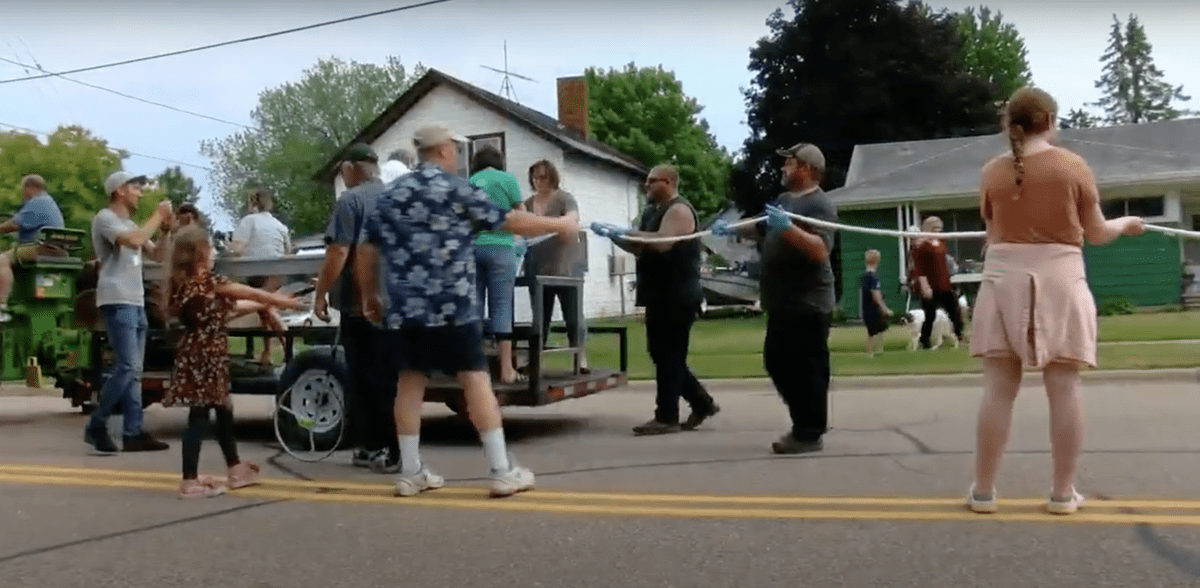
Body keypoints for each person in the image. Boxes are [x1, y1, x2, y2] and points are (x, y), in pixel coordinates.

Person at [358, 125, 581, 498]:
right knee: (475, 380)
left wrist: (370, 295)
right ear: (444, 151)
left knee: (409, 385)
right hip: (454, 307)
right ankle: (500, 469)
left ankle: (411, 471)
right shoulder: (458, 190)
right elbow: (508, 220)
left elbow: (367, 249)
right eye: (454, 150)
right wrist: (560, 224)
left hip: (406, 308)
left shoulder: (391, 195)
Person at [966, 86, 1144, 515]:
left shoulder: (992, 171)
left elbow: (992, 233)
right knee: (1064, 388)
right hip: (1061, 278)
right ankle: (1063, 493)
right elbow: (1097, 233)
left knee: (997, 389)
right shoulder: (1071, 166)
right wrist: (1126, 224)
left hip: (1002, 278)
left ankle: (984, 491)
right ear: (1048, 120)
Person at [712, 142, 838, 454]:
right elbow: (761, 229)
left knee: (805, 368)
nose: (783, 168)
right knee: (777, 362)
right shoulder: (784, 200)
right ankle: (806, 421)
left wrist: (788, 228)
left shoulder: (820, 205)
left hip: (808, 302)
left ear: (807, 168)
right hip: (782, 301)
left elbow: (819, 250)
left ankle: (808, 431)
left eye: (789, 163)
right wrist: (731, 230)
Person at [162, 224, 303, 498]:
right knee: (200, 416)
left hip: (202, 354)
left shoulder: (188, 286)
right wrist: (276, 300)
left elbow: (232, 309)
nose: (215, 252)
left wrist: (269, 303)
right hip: (205, 357)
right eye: (210, 248)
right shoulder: (207, 282)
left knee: (223, 409)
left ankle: (235, 468)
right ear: (198, 254)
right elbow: (245, 293)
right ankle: (189, 481)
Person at [592, 164, 718, 436]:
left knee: (669, 356)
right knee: (661, 354)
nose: (645, 186)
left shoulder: (679, 210)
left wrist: (624, 231)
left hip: (678, 294)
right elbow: (640, 246)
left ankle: (667, 416)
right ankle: (701, 403)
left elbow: (662, 243)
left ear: (669, 182)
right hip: (658, 294)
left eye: (651, 181)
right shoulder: (652, 212)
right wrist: (616, 236)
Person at [313, 143, 403, 473]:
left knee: (365, 378)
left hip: (359, 303)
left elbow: (338, 252)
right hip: (398, 301)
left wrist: (320, 294)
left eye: (342, 170)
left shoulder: (350, 201)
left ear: (351, 168)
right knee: (391, 377)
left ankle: (375, 445)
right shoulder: (395, 197)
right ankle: (392, 447)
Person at [84, 171, 173, 454]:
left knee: (134, 371)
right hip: (117, 298)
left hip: (135, 299)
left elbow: (156, 255)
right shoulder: (105, 218)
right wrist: (157, 216)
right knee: (125, 367)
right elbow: (134, 241)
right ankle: (97, 424)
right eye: (135, 187)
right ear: (119, 191)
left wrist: (165, 231)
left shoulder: (131, 223)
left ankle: (133, 433)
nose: (140, 192)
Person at [523, 160, 588, 372]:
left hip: (566, 266)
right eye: (535, 177)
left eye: (543, 177)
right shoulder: (528, 203)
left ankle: (581, 358)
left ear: (552, 177)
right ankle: (535, 359)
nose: (538, 181)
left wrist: (549, 225)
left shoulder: (564, 199)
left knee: (573, 316)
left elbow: (572, 220)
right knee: (540, 317)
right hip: (537, 266)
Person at [469, 145, 525, 384]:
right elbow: (520, 214)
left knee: (474, 307)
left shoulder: (470, 181)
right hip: (501, 248)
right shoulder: (507, 179)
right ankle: (506, 369)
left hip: (473, 248)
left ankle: (476, 369)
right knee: (501, 306)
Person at [228, 188, 291, 363]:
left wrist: (227, 253)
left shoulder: (248, 221)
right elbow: (288, 250)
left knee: (266, 307)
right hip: (278, 271)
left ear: (252, 203)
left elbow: (238, 249)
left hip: (257, 272)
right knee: (265, 310)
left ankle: (286, 345)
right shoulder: (279, 225)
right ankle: (268, 353)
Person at [0, 174, 65, 311]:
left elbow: (13, 225)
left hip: (42, 248)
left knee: (2, 260)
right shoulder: (49, 202)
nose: (23, 194)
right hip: (56, 249)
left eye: (23, 190)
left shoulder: (38, 202)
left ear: (29, 188)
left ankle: (2, 304)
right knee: (14, 257)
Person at [911, 216, 965, 349]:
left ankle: (960, 336)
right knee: (930, 315)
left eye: (939, 229)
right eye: (935, 229)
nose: (938, 232)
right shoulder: (921, 246)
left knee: (954, 310)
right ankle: (925, 341)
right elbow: (920, 268)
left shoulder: (941, 242)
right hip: (930, 284)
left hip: (943, 282)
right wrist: (925, 287)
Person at [860, 249, 893, 357]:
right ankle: (872, 352)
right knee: (873, 331)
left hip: (866, 306)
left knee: (877, 329)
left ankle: (877, 350)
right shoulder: (872, 277)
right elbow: (875, 293)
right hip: (873, 307)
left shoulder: (864, 276)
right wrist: (883, 307)